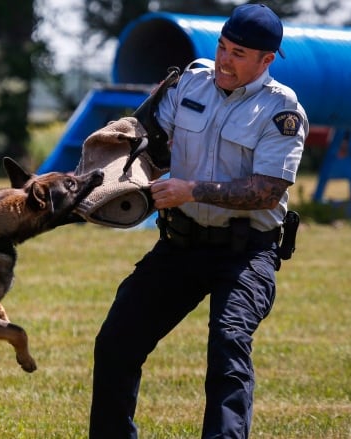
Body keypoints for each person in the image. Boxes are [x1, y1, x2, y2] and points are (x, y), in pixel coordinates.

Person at [88, 4, 307, 438]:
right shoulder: (191, 80)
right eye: (223, 46)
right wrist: (120, 167)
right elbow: (150, 140)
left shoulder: (282, 112)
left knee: (228, 349)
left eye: (239, 53)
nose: (225, 59)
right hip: (182, 244)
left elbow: (267, 190)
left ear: (267, 60)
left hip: (246, 252)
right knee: (117, 341)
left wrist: (191, 190)